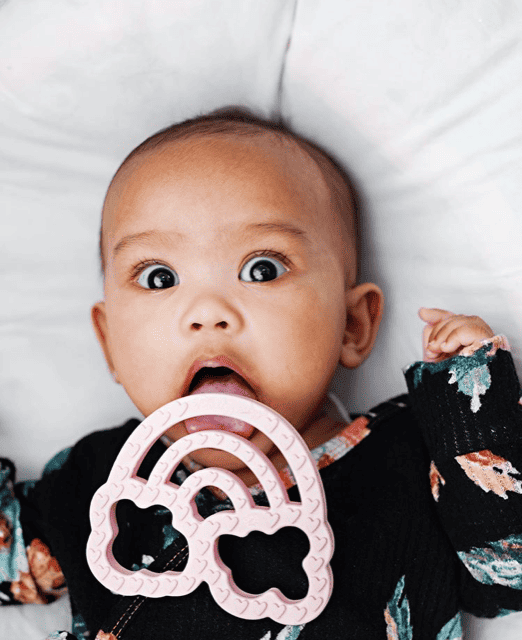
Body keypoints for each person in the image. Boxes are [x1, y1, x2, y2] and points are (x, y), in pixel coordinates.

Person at [1, 107, 521, 640]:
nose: (207, 312)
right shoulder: (95, 480)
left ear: (352, 325)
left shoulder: (408, 458)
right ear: (109, 342)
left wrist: (473, 406)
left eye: (262, 269)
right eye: (159, 278)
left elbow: (508, 576)